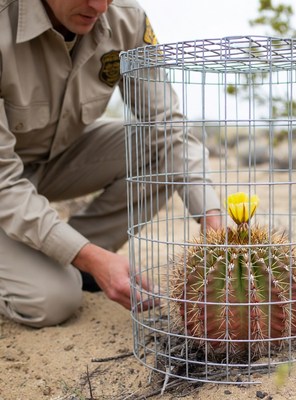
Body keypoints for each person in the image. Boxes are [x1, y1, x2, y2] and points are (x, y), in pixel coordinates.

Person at [0, 0, 222, 328]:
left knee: (159, 154)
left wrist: (211, 218)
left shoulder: (125, 17)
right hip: (5, 180)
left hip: (52, 162)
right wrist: (91, 256)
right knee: (53, 300)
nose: (100, 6)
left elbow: (164, 123)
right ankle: (68, 263)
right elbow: (4, 183)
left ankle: (74, 258)